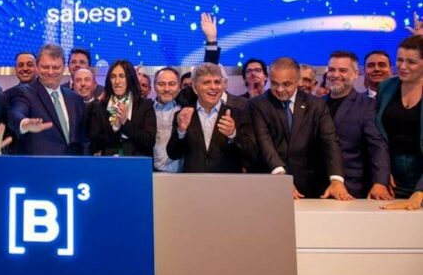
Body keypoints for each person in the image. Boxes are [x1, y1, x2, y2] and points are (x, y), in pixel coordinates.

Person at [249, 57, 352, 200]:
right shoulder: (258, 104)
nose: (279, 89)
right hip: (271, 184)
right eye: (274, 83)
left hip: (310, 186)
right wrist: (281, 177)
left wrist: (336, 179)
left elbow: (330, 142)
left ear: (298, 81)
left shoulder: (316, 105)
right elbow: (264, 142)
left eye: (286, 84)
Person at [325, 51, 392, 199]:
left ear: (355, 74)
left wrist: (380, 182)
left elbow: (378, 146)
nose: (335, 75)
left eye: (342, 70)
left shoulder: (367, 106)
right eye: (331, 69)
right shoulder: (316, 104)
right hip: (314, 189)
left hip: (352, 190)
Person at [167, 63, 255, 173]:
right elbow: (173, 154)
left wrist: (233, 135)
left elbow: (251, 153)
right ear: (195, 88)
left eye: (217, 82)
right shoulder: (183, 115)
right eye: (206, 82)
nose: (213, 87)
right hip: (194, 181)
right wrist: (181, 132)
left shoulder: (237, 114)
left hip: (228, 181)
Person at [8, 43, 89, 155]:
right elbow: (16, 113)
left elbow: (84, 139)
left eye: (56, 67)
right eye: (45, 67)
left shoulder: (75, 99)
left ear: (64, 67)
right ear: (37, 67)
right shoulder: (24, 93)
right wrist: (24, 123)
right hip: (41, 164)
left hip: (73, 164)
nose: (50, 72)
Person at [375, 35, 423, 199]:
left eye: (411, 62)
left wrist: (420, 190)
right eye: (399, 60)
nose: (403, 66)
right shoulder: (386, 87)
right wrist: (382, 173)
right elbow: (377, 135)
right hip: (392, 179)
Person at [90, 60, 156, 156]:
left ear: (130, 78)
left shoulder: (144, 105)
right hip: (108, 162)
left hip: (136, 162)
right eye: (113, 76)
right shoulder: (100, 107)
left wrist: (125, 123)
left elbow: (149, 141)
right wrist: (115, 128)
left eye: (122, 76)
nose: (117, 81)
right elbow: (94, 143)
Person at [152, 67, 184, 172]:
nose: (166, 89)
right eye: (161, 84)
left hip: (183, 174)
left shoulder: (186, 110)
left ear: (179, 86)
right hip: (151, 173)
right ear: (154, 86)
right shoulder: (147, 111)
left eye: (172, 84)